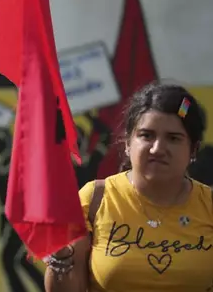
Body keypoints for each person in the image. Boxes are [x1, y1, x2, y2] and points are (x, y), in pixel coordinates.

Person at [44, 83, 213, 291]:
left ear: (193, 149)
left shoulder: (209, 206)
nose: (158, 148)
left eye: (173, 138)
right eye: (146, 135)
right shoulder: (94, 199)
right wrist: (60, 254)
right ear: (127, 143)